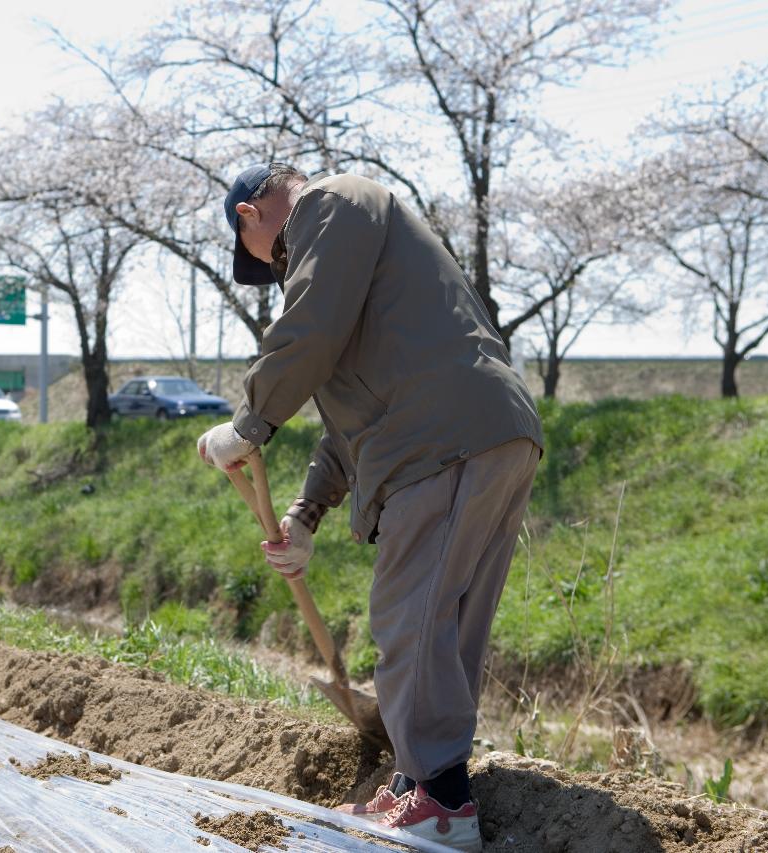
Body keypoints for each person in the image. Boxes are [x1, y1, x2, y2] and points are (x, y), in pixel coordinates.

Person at [197, 164, 543, 851]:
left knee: (409, 616)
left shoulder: (332, 201)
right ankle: (423, 782)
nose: (279, 271)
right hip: (483, 431)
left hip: (440, 436)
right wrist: (304, 515)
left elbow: (311, 326)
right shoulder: (359, 257)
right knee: (444, 625)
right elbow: (345, 428)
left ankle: (442, 802)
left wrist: (251, 421)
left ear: (250, 218)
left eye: (268, 261)